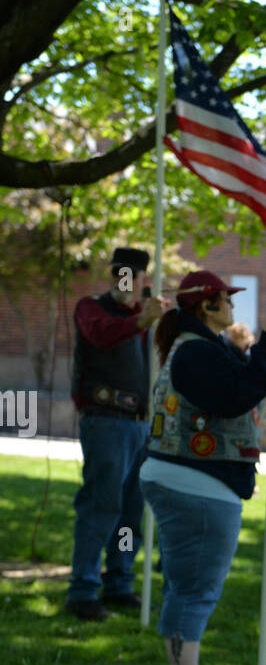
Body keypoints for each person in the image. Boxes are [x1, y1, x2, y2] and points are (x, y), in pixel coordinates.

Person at [138, 270, 266, 665]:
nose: (232, 305)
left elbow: (243, 381)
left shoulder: (199, 349)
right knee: (195, 589)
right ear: (205, 305)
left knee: (182, 586)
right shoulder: (196, 353)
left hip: (184, 479)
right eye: (226, 298)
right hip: (197, 484)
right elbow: (239, 395)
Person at [66, 246, 167, 620]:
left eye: (133, 276)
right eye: (119, 274)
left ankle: (119, 581)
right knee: (101, 505)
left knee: (129, 511)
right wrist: (141, 321)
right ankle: (82, 589)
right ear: (113, 276)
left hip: (141, 424)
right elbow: (102, 335)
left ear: (144, 281)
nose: (125, 282)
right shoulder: (91, 308)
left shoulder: (146, 318)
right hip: (106, 419)